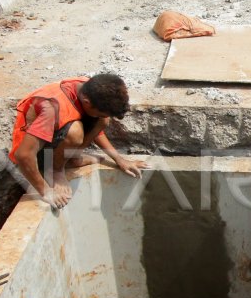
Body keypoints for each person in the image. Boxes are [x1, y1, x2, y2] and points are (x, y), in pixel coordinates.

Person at [8, 73, 147, 209]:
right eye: (98, 112)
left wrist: (119, 160)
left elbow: (98, 128)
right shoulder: (52, 107)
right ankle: (55, 170)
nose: (101, 116)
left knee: (103, 120)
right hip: (36, 154)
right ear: (87, 103)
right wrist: (45, 191)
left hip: (56, 138)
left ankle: (71, 159)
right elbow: (23, 155)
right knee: (75, 132)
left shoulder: (90, 88)